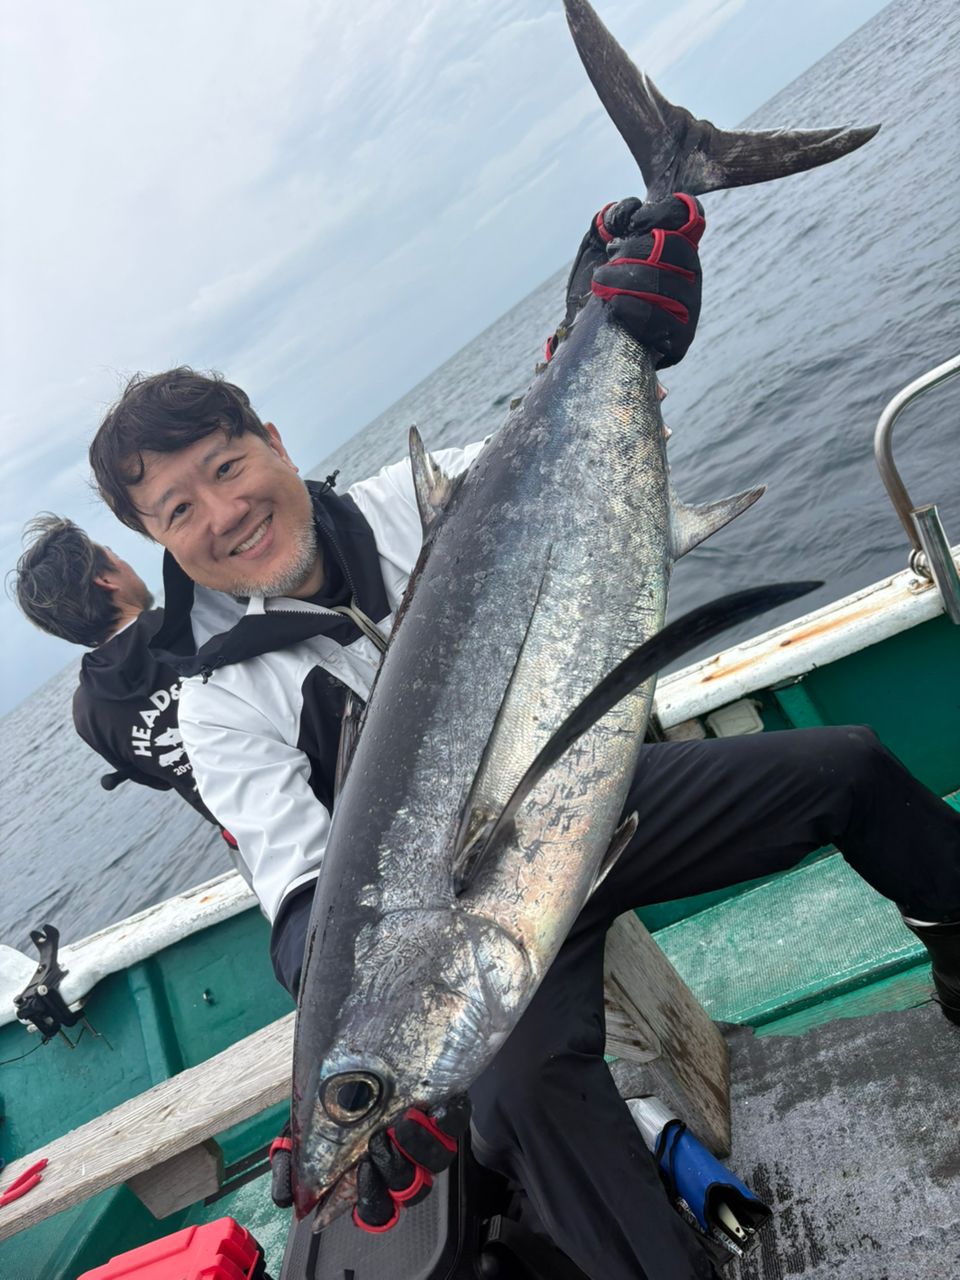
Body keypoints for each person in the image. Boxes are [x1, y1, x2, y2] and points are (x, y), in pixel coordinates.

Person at [86, 197, 960, 1280]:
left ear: (274, 441)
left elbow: (581, 451)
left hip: (595, 803)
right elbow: (303, 901)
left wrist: (610, 320)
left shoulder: (428, 501)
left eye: (225, 467)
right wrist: (364, 1074)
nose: (221, 513)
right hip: (467, 932)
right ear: (156, 541)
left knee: (851, 766)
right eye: (177, 510)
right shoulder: (218, 703)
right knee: (527, 1093)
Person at [11, 514, 240, 829]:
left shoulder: (88, 712)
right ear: (105, 580)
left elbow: (155, 778)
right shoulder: (199, 618)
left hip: (248, 840)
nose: (126, 563)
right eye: (115, 555)